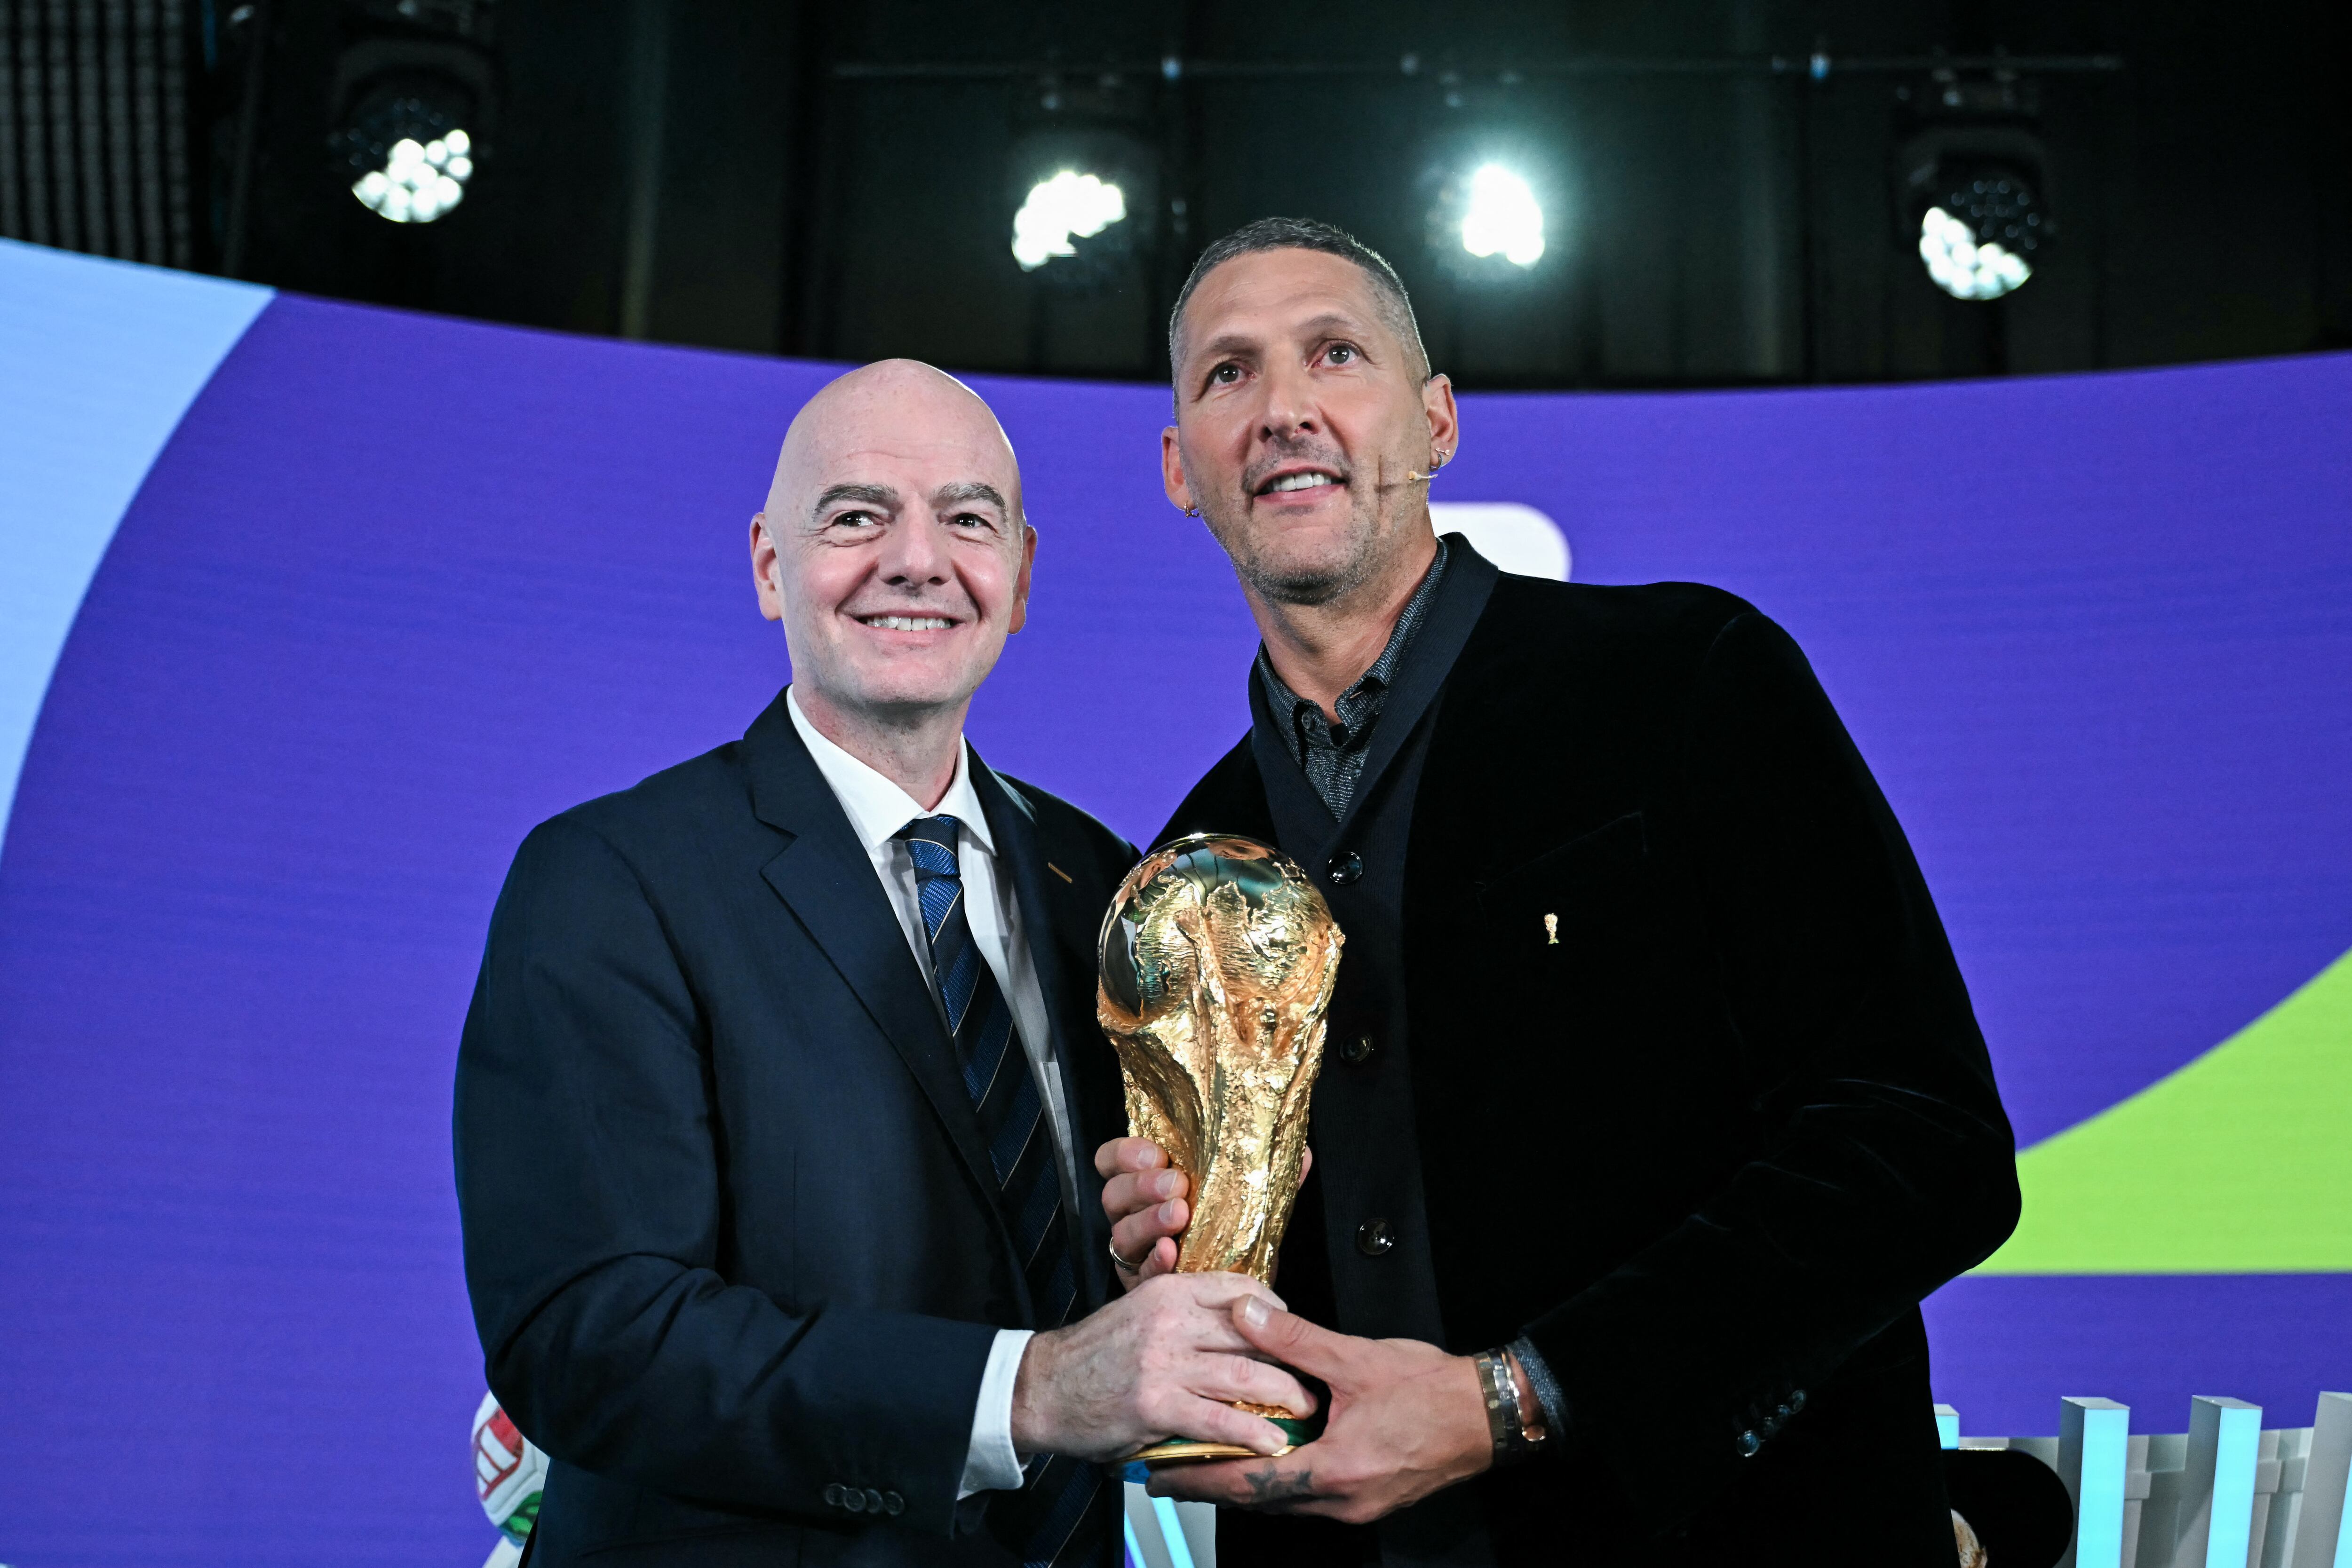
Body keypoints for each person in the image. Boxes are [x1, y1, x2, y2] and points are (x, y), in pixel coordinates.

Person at [1097, 220, 2022, 1567]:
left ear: (1437, 422)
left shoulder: (1687, 679)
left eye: (1335, 354)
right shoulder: (1193, 859)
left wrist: (1514, 1395)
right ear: (1182, 467)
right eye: (1227, 373)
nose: (1285, 406)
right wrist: (1164, 1268)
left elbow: (1923, 1143)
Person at [454, 360, 1312, 1568]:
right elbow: (593, 1336)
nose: (916, 559)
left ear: (1018, 576)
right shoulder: (610, 876)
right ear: (768, 564)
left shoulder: (1101, 882)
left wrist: (1137, 1262)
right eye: (857, 514)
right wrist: (1030, 1388)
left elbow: (1091, 1281)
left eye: (967, 519)